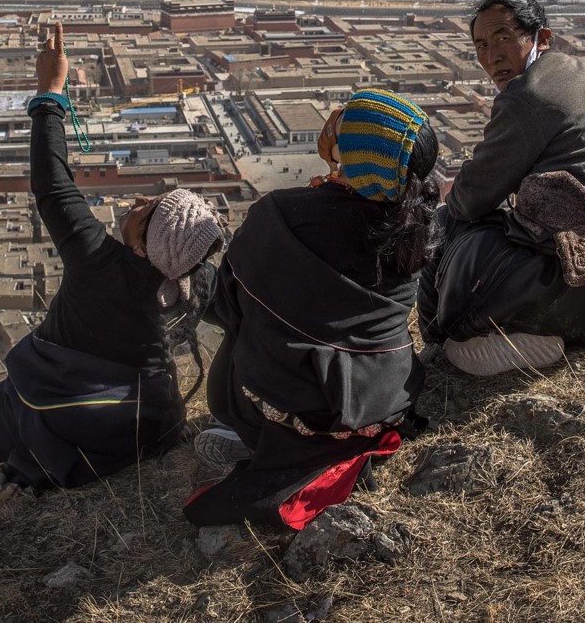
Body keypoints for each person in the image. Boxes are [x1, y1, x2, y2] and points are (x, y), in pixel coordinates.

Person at [0, 23, 225, 505]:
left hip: (62, 408)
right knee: (45, 425)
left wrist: (50, 93)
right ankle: (15, 471)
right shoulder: (196, 281)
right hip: (145, 423)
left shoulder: (99, 263)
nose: (136, 200)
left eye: (147, 207)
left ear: (144, 243)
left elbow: (53, 185)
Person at [184, 88, 439, 530]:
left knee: (239, 329)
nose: (331, 128)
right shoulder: (417, 220)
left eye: (342, 130)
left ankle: (259, 437)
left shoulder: (280, 215)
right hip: (384, 404)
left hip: (310, 414)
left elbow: (223, 306)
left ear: (352, 156)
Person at [418, 0, 585, 377]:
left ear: (541, 37)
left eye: (503, 36)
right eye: (481, 44)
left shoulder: (527, 96)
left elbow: (468, 200)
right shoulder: (580, 71)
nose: (492, 55)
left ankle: (442, 343)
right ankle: (463, 339)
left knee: (448, 223)